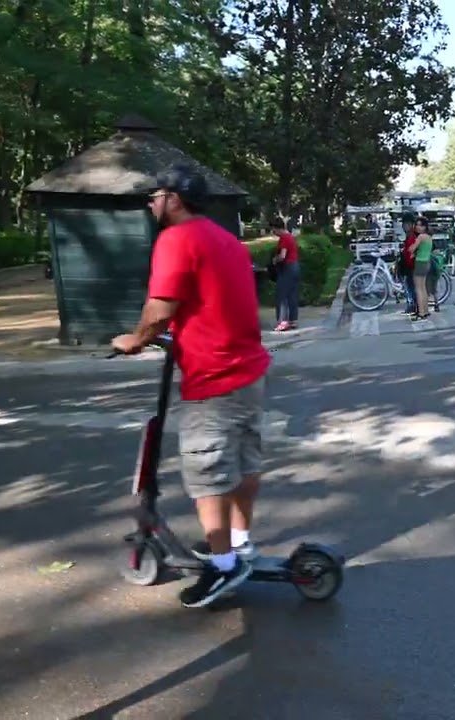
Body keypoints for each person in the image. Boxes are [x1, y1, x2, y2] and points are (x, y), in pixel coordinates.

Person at [112, 164, 270, 608]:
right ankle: (239, 543)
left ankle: (224, 567)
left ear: (173, 199)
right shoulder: (227, 240)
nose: (150, 202)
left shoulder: (176, 239)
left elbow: (160, 308)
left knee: (208, 473)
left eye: (154, 195)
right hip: (249, 369)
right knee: (243, 460)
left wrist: (136, 340)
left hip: (214, 377)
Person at [270, 216, 299, 332]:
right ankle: (292, 320)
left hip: (287, 268)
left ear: (277, 228)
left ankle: (283, 321)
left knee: (282, 296)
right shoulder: (290, 237)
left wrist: (274, 260)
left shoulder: (284, 238)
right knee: (292, 295)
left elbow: (282, 256)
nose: (274, 233)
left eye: (273, 230)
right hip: (295, 267)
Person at [410, 216, 433, 320]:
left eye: (420, 225)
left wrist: (410, 249)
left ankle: (421, 312)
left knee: (418, 289)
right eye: (417, 225)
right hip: (427, 262)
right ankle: (426, 310)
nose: (418, 227)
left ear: (424, 227)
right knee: (423, 288)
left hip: (420, 263)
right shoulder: (429, 237)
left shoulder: (421, 237)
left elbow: (412, 248)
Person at [399, 212, 419, 315]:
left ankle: (415, 305)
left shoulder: (414, 235)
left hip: (414, 266)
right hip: (409, 265)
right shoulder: (409, 235)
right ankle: (412, 305)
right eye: (403, 224)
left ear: (411, 224)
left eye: (406, 224)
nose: (404, 226)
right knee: (409, 286)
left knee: (412, 286)